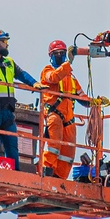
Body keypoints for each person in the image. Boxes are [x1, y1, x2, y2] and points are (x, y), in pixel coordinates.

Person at [0, 30, 42, 167]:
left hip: (7, 113)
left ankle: (15, 174)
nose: (7, 45)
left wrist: (35, 83)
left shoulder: (9, 62)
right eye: (4, 41)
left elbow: (22, 74)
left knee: (12, 149)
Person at [39, 40, 90, 179]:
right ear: (51, 55)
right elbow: (54, 78)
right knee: (53, 145)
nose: (60, 55)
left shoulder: (70, 78)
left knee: (68, 150)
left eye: (62, 53)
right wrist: (68, 63)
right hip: (53, 114)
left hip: (68, 118)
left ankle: (60, 177)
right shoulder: (47, 71)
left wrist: (93, 102)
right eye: (57, 54)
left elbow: (81, 96)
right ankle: (47, 171)